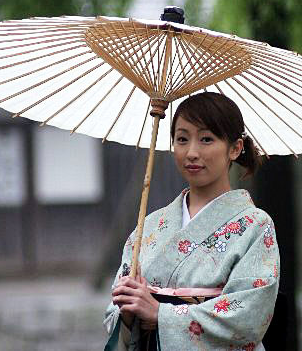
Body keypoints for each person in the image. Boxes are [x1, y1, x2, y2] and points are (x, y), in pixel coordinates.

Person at [103, 92, 280, 351]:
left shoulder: (255, 225)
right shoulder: (150, 226)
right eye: (182, 139)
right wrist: (129, 311)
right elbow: (116, 311)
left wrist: (161, 314)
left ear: (235, 148)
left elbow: (249, 315)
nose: (192, 152)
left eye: (206, 139)